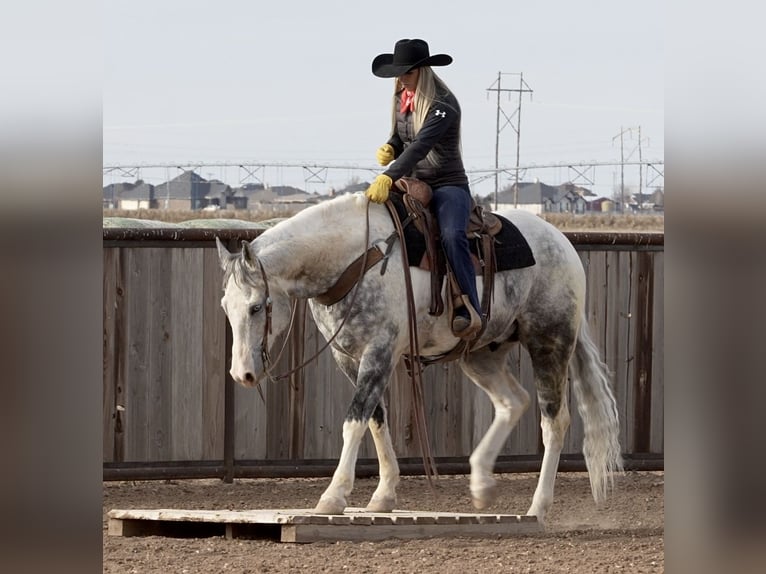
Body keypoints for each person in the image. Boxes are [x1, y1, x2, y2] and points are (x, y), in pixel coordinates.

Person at [366, 38, 482, 339]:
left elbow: (420, 147)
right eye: (399, 73)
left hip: (447, 184)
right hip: (413, 182)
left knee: (452, 235)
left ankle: (470, 306)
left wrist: (388, 176)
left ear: (422, 71)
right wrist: (390, 147)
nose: (402, 78)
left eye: (407, 73)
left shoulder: (442, 105)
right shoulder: (401, 99)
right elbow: (402, 138)